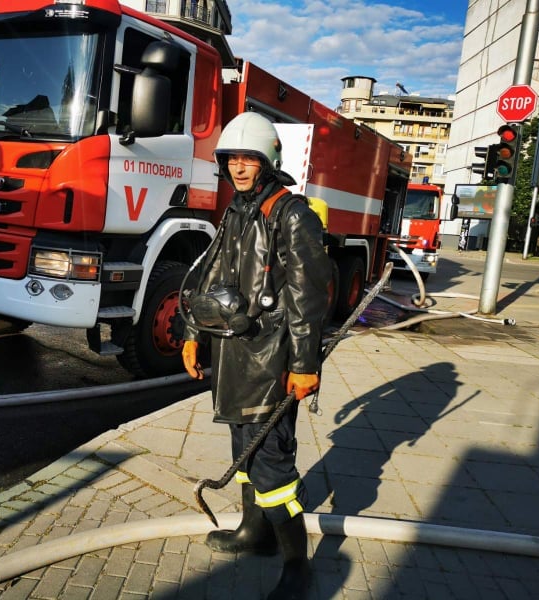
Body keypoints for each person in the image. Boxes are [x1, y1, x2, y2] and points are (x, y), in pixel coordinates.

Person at [181, 112, 331, 600]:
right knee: (243, 452)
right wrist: (191, 333)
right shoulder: (237, 210)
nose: (239, 168)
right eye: (232, 160)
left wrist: (306, 365)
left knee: (272, 466)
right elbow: (210, 276)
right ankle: (253, 534)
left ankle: (296, 568)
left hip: (270, 360)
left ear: (269, 160)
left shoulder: (292, 214)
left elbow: (309, 296)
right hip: (231, 354)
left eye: (249, 159)